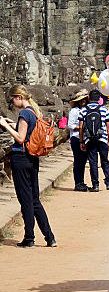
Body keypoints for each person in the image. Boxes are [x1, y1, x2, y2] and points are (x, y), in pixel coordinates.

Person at [0, 86, 56, 248]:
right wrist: (13, 123)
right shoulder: (34, 112)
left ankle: (29, 237)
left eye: (12, 99)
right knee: (34, 199)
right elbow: (29, 131)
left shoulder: (24, 113)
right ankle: (49, 237)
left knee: (25, 200)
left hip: (21, 158)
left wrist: (5, 124)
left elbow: (20, 138)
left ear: (18, 97)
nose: (12, 102)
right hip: (32, 158)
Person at [79, 90, 109, 191]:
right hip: (102, 138)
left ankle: (95, 185)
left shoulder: (83, 110)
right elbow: (108, 127)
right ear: (99, 99)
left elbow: (81, 127)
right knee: (105, 161)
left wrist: (81, 141)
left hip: (90, 139)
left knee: (93, 162)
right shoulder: (104, 110)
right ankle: (108, 183)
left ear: (89, 98)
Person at [65, 89, 90, 192]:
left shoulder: (87, 110)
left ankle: (81, 182)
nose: (83, 101)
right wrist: (80, 128)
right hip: (76, 138)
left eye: (84, 99)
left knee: (83, 161)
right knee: (78, 161)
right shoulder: (74, 111)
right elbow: (70, 125)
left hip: (85, 138)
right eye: (81, 100)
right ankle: (78, 183)